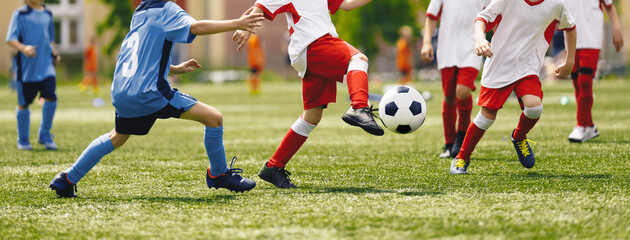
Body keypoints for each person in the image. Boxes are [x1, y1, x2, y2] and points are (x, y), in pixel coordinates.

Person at [49, 0, 264, 198]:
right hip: (150, 92)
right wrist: (238, 22)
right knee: (214, 119)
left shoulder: (140, 12)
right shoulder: (166, 9)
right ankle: (218, 175)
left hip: (122, 91)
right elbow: (196, 27)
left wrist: (173, 68)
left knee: (117, 137)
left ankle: (67, 178)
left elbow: (140, 55)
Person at [233, 0, 382, 188]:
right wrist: (246, 28)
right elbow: (262, 5)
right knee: (358, 59)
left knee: (311, 116)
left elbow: (346, 4)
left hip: (311, 50)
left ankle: (273, 167)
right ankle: (359, 107)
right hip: (314, 45)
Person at [450, 0, 577, 174]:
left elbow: (570, 27)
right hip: (499, 64)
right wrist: (480, 38)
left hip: (527, 66)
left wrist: (569, 61)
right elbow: (482, 18)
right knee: (487, 117)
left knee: (534, 108)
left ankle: (518, 137)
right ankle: (461, 158)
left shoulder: (556, 4)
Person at [421, 0, 490, 159]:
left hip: (473, 47)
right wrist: (426, 42)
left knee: (462, 91)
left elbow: (494, 14)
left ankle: (462, 136)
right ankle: (449, 143)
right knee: (449, 97)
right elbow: (431, 16)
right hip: (447, 49)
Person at [6, 0, 61, 150]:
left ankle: (44, 134)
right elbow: (11, 38)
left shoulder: (48, 13)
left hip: (46, 66)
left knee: (51, 96)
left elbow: (50, 39)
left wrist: (55, 54)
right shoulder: (20, 14)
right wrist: (24, 49)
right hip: (27, 70)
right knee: (24, 103)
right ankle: (23, 140)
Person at [565, 0, 623, 143]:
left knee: (584, 81)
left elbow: (609, 6)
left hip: (592, 38)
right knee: (577, 83)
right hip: (571, 38)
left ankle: (581, 125)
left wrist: (616, 28)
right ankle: (589, 125)